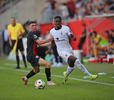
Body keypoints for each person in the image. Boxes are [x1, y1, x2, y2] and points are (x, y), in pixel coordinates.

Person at [45, 16, 98, 83]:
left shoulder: (66, 28)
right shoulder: (52, 31)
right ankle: (90, 75)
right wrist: (50, 49)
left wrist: (73, 37)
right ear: (54, 22)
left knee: (72, 66)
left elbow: (74, 39)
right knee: (77, 60)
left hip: (68, 49)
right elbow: (53, 41)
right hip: (61, 51)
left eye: (59, 21)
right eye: (56, 21)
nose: (57, 23)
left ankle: (66, 74)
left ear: (61, 21)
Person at [21, 21, 56, 85]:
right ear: (29, 27)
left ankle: (25, 78)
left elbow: (40, 45)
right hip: (32, 55)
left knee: (36, 70)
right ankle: (49, 82)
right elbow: (40, 42)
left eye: (35, 25)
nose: (34, 27)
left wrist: (52, 43)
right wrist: (49, 39)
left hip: (30, 56)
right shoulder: (31, 34)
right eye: (32, 26)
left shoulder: (32, 34)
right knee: (48, 65)